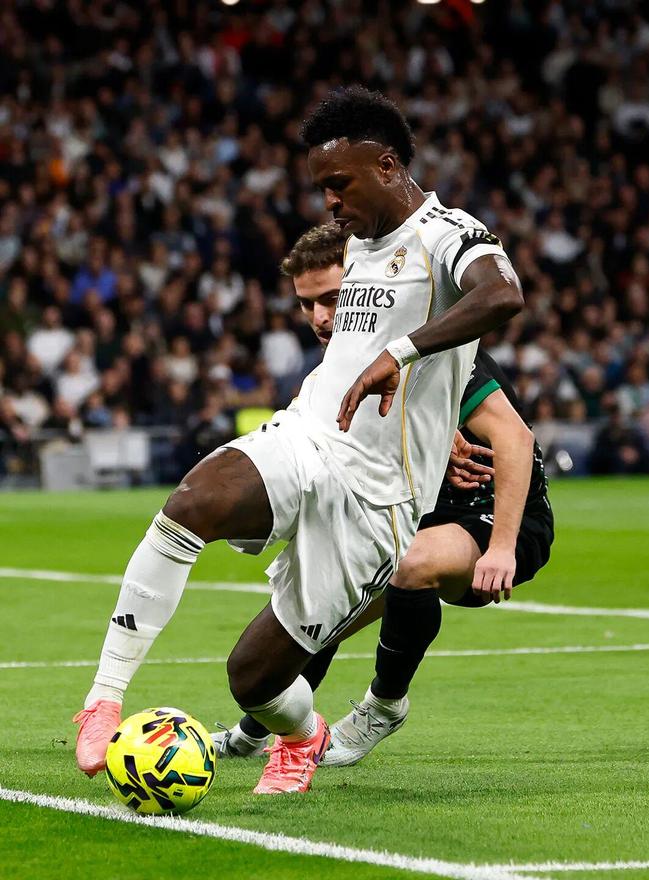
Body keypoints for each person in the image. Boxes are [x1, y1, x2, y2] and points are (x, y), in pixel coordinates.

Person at [73, 86, 523, 795]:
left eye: (339, 184)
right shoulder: (357, 243)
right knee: (194, 500)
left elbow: (502, 295)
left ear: (387, 165)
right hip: (310, 435)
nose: (330, 202)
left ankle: (302, 734)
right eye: (321, 189)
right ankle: (103, 698)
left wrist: (400, 355)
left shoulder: (447, 233)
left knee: (252, 678)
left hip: (377, 503)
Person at [214, 223, 553, 765]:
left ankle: (384, 706)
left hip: (489, 518)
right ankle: (255, 731)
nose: (320, 317)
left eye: (332, 299)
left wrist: (502, 548)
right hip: (409, 515)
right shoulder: (334, 373)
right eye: (306, 304)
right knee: (320, 605)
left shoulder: (429, 349)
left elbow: (515, 438)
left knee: (409, 565)